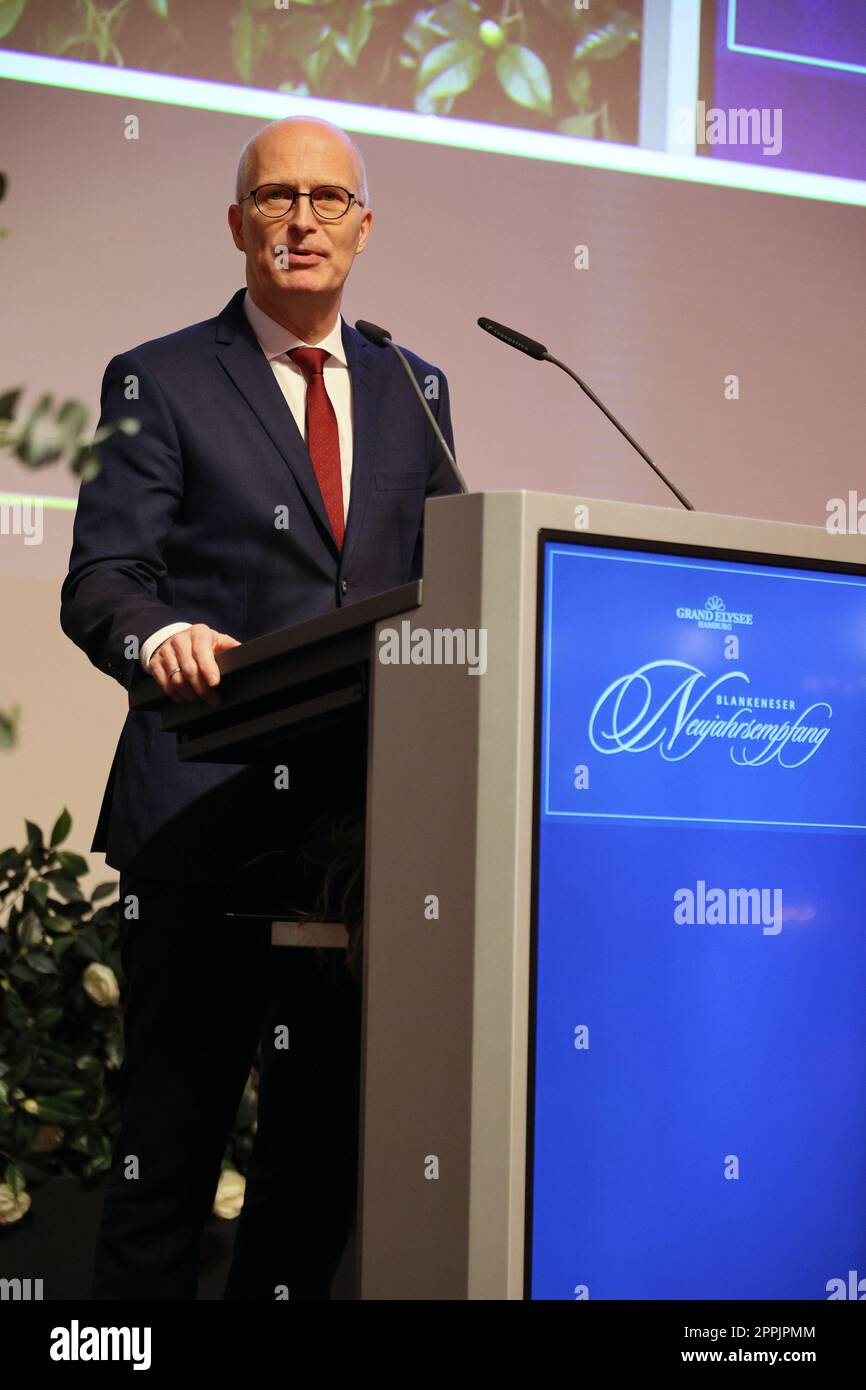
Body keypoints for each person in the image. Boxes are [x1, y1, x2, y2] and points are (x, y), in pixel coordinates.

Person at [60, 115, 462, 1299]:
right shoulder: (163, 377)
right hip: (203, 820)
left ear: (364, 227)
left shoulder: (416, 386)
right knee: (165, 1163)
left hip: (353, 842)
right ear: (238, 225)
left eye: (328, 198)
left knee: (317, 1167)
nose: (301, 218)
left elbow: (445, 575)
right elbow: (102, 582)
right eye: (275, 197)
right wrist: (162, 634)